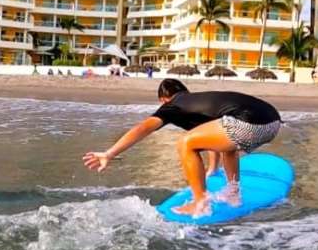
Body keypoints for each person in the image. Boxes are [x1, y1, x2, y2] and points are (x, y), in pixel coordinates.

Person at [83, 79, 282, 218]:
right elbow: (215, 139)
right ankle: (233, 192)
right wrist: (212, 170)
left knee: (185, 142)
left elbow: (143, 128)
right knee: (228, 146)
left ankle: (200, 203)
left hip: (247, 124)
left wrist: (109, 153)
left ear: (163, 99)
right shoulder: (200, 101)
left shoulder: (173, 106)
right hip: (272, 122)